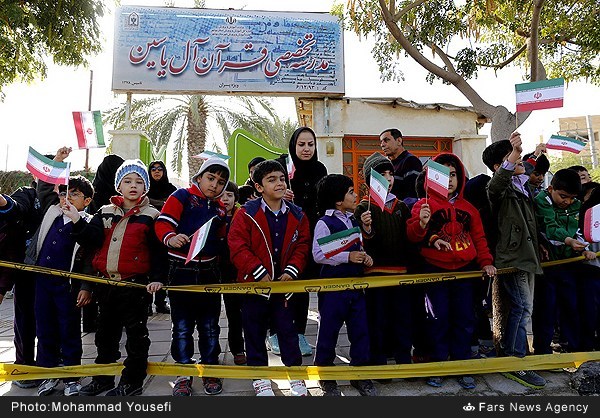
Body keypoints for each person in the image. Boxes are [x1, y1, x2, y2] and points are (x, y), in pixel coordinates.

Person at [77, 159, 167, 396]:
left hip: (135, 286)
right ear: (119, 186)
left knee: (136, 336)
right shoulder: (104, 212)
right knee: (105, 335)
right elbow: (90, 240)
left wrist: (157, 279)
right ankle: (103, 378)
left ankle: (132, 381)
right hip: (106, 285)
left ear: (145, 187)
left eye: (139, 181)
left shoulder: (152, 215)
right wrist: (76, 220)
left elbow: (159, 253)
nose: (133, 186)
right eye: (127, 181)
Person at [406, 153, 496, 390]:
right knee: (437, 318)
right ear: (430, 177)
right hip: (434, 271)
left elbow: (479, 237)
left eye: (453, 174)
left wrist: (486, 261)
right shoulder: (422, 205)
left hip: (465, 273)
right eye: (442, 175)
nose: (448, 180)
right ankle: (437, 365)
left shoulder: (470, 209)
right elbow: (413, 236)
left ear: (461, 177)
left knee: (465, 318)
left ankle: (462, 365)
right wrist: (422, 223)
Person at [228, 160, 311, 396]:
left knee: (288, 330)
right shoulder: (246, 214)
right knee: (253, 331)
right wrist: (257, 272)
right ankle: (260, 377)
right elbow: (237, 246)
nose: (279, 183)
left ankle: (295, 376)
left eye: (282, 178)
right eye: (272, 179)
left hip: (284, 286)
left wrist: (292, 271)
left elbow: (302, 245)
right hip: (255, 286)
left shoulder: (297, 214)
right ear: (259, 187)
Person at [154, 157, 229, 396]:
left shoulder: (220, 208)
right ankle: (184, 373)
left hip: (209, 272)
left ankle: (209, 369)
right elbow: (162, 223)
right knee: (183, 327)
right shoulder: (181, 196)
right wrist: (170, 238)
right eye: (210, 178)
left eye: (220, 182)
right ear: (199, 177)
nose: (215, 185)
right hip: (180, 271)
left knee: (209, 327)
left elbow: (222, 238)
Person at [483, 132, 546, 389]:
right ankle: (515, 359)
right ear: (500, 165)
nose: (521, 160)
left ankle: (515, 354)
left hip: (528, 256)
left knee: (524, 308)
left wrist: (535, 154)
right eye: (513, 157)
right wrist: (514, 153)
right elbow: (498, 182)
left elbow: (530, 166)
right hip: (513, 258)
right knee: (522, 308)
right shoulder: (498, 187)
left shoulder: (523, 185)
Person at [312, 174, 378, 397]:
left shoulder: (353, 221)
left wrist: (364, 257)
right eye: (351, 191)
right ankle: (325, 375)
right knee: (328, 332)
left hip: (356, 288)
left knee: (360, 330)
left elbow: (359, 247)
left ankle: (359, 373)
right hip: (333, 290)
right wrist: (347, 257)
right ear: (338, 200)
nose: (356, 195)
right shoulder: (324, 223)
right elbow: (318, 254)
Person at [269, 127, 328, 357]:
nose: (306, 149)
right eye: (301, 144)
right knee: (283, 287)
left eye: (310, 144)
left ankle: (300, 333)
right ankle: (275, 332)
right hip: (284, 236)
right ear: (293, 146)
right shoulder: (281, 168)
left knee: (302, 288)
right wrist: (280, 194)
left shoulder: (320, 169)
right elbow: (265, 194)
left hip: (311, 236)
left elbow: (323, 200)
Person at [354, 152, 414, 375]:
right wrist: (366, 229)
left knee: (402, 319)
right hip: (375, 274)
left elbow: (409, 238)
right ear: (370, 179)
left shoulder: (401, 206)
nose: (387, 178)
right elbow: (360, 243)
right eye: (381, 174)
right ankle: (379, 363)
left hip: (401, 273)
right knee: (378, 320)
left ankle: (403, 360)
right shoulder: (362, 209)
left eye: (390, 174)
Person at [532, 169, 592, 354]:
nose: (567, 202)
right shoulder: (542, 201)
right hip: (548, 265)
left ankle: (573, 348)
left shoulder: (577, 204)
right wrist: (569, 241)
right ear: (551, 189)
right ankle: (542, 350)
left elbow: (581, 229)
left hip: (570, 263)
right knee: (546, 308)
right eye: (563, 196)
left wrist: (585, 248)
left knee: (571, 306)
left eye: (572, 198)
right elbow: (550, 228)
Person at [0, 174, 45, 389]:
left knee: (56, 320)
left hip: (58, 273)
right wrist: (2, 200)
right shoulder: (28, 194)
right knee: (25, 320)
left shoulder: (64, 196)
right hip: (26, 269)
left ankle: (53, 366)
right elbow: (14, 208)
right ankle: (25, 365)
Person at [83, 154, 125, 333]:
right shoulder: (117, 197)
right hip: (108, 247)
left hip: (95, 247)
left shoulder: (95, 191)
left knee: (92, 284)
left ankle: (90, 323)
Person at [219, 181, 246, 365]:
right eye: (221, 195)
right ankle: (212, 350)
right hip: (215, 271)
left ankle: (238, 348)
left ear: (235, 198)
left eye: (229, 195)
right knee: (211, 316)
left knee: (236, 314)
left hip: (237, 273)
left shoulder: (242, 216)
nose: (225, 199)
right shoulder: (212, 216)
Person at [146, 160, 177, 315]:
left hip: (166, 236)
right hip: (147, 235)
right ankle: (146, 304)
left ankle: (160, 302)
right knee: (147, 268)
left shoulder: (172, 191)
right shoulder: (144, 190)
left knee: (163, 269)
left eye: (159, 169)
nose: (156, 172)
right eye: (153, 169)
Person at [578, 182, 600, 351]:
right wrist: (586, 251)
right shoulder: (587, 213)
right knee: (590, 309)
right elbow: (580, 238)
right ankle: (587, 344)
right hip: (590, 268)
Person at [379, 128, 423, 204]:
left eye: (386, 140)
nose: (382, 145)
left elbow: (412, 195)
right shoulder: (387, 164)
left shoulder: (411, 161)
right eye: (381, 142)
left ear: (399, 141)